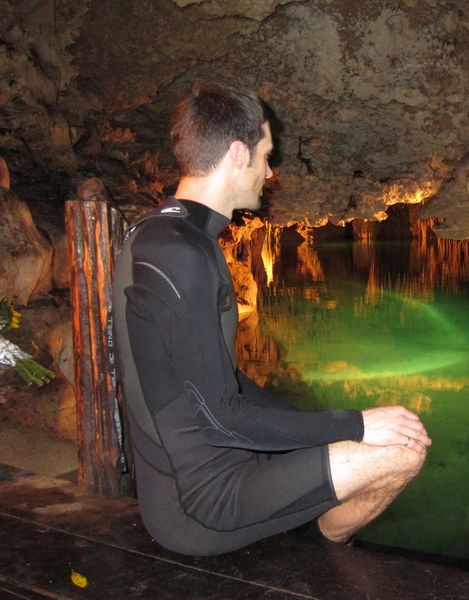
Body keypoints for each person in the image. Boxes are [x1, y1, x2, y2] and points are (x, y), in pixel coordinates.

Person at [111, 81, 431, 556]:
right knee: (404, 452)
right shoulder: (179, 253)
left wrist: (315, 425)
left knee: (335, 440)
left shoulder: (164, 235)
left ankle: (306, 532)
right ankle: (322, 555)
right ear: (238, 154)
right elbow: (220, 418)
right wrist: (355, 425)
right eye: (266, 156)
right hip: (200, 507)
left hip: (197, 471)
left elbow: (224, 385)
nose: (269, 171)